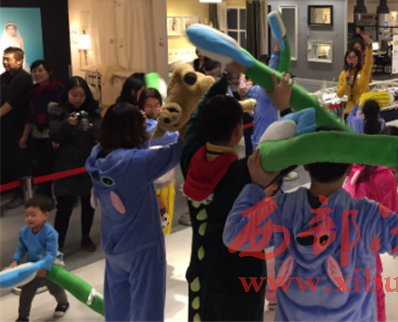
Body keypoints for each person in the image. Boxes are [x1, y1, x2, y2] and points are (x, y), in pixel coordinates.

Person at [224, 134, 398, 321]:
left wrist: (255, 187)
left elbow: (234, 235)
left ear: (306, 165)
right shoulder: (367, 216)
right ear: (349, 168)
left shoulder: (281, 210)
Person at [180, 67, 294, 322]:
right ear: (238, 131)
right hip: (241, 283)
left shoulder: (189, 159)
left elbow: (197, 117)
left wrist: (224, 79)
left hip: (202, 275)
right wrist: (285, 107)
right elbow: (294, 150)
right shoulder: (247, 174)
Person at [86, 102, 182, 322]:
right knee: (147, 309)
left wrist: (142, 127)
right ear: (132, 129)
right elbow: (178, 150)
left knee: (117, 307)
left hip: (113, 244)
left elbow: (137, 150)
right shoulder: (136, 162)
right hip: (143, 246)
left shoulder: (96, 157)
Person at [343, 125, 398, 322]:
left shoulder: (360, 166)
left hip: (344, 242)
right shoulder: (384, 176)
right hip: (364, 249)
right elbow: (393, 217)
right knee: (373, 297)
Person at [49, 77, 102, 253]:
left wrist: (92, 127)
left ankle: (86, 236)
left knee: (89, 205)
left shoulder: (93, 110)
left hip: (88, 164)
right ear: (67, 94)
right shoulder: (58, 111)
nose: (78, 99)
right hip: (66, 166)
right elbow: (54, 135)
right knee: (64, 208)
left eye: (81, 95)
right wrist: (67, 124)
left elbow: (102, 135)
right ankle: (57, 245)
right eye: (74, 95)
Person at [4, 195, 69, 322]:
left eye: (33, 215)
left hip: (51, 266)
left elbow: (51, 253)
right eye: (26, 215)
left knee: (55, 288)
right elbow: (22, 248)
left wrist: (44, 267)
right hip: (33, 266)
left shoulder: (50, 233)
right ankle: (23, 316)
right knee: (26, 292)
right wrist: (15, 260)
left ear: (45, 215)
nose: (29, 218)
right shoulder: (24, 232)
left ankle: (63, 303)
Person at [19, 60, 64, 197]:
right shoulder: (33, 91)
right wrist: (24, 136)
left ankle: (59, 194)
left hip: (53, 132)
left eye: (40, 70)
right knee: (40, 163)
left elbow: (63, 113)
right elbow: (30, 114)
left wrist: (58, 136)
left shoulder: (58, 88)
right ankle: (45, 193)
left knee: (53, 164)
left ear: (48, 72)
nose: (37, 74)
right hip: (37, 132)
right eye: (34, 71)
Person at [139, 88, 179, 235]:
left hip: (164, 175)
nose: (153, 110)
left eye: (156, 105)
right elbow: (174, 136)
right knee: (160, 217)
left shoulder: (156, 121)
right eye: (148, 106)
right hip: (155, 178)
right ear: (141, 107)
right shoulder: (146, 125)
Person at [1, 47, 33, 209]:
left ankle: (21, 193)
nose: (5, 62)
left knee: (20, 161)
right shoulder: (4, 77)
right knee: (7, 160)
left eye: (8, 59)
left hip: (19, 127)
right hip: (4, 128)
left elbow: (11, 103)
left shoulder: (24, 79)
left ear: (19, 61)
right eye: (4, 58)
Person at [337, 31, 373, 118]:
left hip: (363, 108)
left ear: (358, 58)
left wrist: (369, 45)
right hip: (350, 111)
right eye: (349, 57)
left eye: (354, 57)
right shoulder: (344, 74)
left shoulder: (364, 71)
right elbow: (339, 94)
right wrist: (346, 82)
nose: (351, 60)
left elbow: (369, 61)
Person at [263, 177, 283, 312]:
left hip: (271, 247)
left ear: (274, 186)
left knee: (271, 273)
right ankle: (273, 298)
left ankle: (274, 298)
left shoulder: (276, 203)